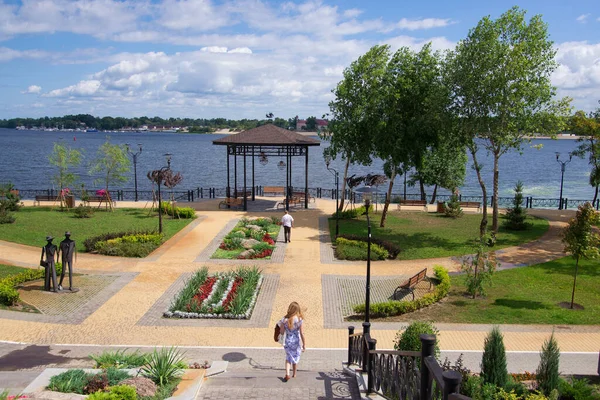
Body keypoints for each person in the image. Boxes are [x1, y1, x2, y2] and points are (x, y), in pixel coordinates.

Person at [277, 302, 306, 382]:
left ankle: (287, 374)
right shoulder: (299, 319)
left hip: (288, 341)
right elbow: (301, 333)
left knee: (288, 358)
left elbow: (282, 332)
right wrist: (304, 344)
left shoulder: (285, 320)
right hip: (296, 341)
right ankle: (294, 374)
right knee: (295, 357)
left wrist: (282, 326)